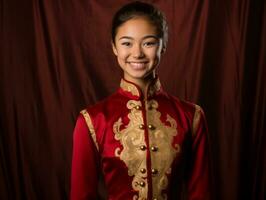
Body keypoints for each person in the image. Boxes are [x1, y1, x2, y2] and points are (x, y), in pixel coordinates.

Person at [70, 1, 210, 200]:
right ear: (114, 47)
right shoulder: (92, 120)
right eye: (127, 43)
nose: (137, 53)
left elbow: (202, 194)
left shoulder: (191, 116)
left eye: (149, 43)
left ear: (163, 46)